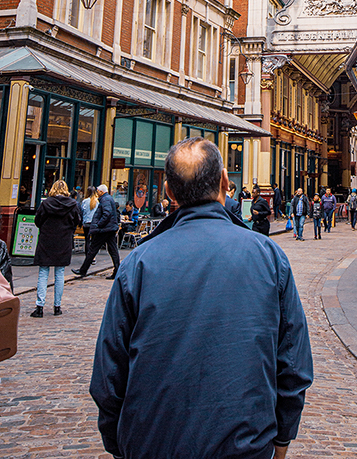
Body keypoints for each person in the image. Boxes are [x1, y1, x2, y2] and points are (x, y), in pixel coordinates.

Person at [90, 137, 313, 459]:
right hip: (245, 446)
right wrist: (281, 439)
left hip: (150, 444)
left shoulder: (138, 263)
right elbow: (293, 363)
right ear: (225, 181)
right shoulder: (268, 256)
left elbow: (109, 373)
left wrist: (120, 442)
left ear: (168, 191)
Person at [30, 179, 82, 318]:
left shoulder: (46, 203)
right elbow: (77, 221)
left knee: (43, 273)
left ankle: (40, 306)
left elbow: (37, 220)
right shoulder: (72, 205)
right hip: (63, 241)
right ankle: (57, 306)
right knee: (59, 273)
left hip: (47, 240)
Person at [72, 184, 120, 279]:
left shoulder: (105, 199)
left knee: (93, 249)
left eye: (98, 191)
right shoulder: (108, 198)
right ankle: (117, 270)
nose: (97, 193)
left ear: (101, 191)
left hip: (104, 229)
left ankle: (83, 270)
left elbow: (107, 213)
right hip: (109, 228)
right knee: (112, 250)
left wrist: (99, 224)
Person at [81, 186, 99, 255]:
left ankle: (87, 256)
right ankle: (93, 257)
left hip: (86, 223)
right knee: (94, 241)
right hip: (94, 223)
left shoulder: (85, 201)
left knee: (87, 240)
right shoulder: (97, 202)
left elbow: (82, 211)